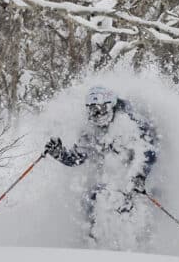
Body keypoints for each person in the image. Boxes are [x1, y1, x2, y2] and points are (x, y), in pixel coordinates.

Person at [44, 86, 159, 251]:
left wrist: (139, 176)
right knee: (93, 201)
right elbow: (78, 158)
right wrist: (60, 154)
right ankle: (93, 248)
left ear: (111, 105)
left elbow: (148, 153)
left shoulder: (127, 123)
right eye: (92, 110)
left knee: (131, 208)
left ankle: (140, 249)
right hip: (107, 180)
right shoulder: (90, 131)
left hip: (134, 180)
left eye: (101, 109)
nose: (97, 114)